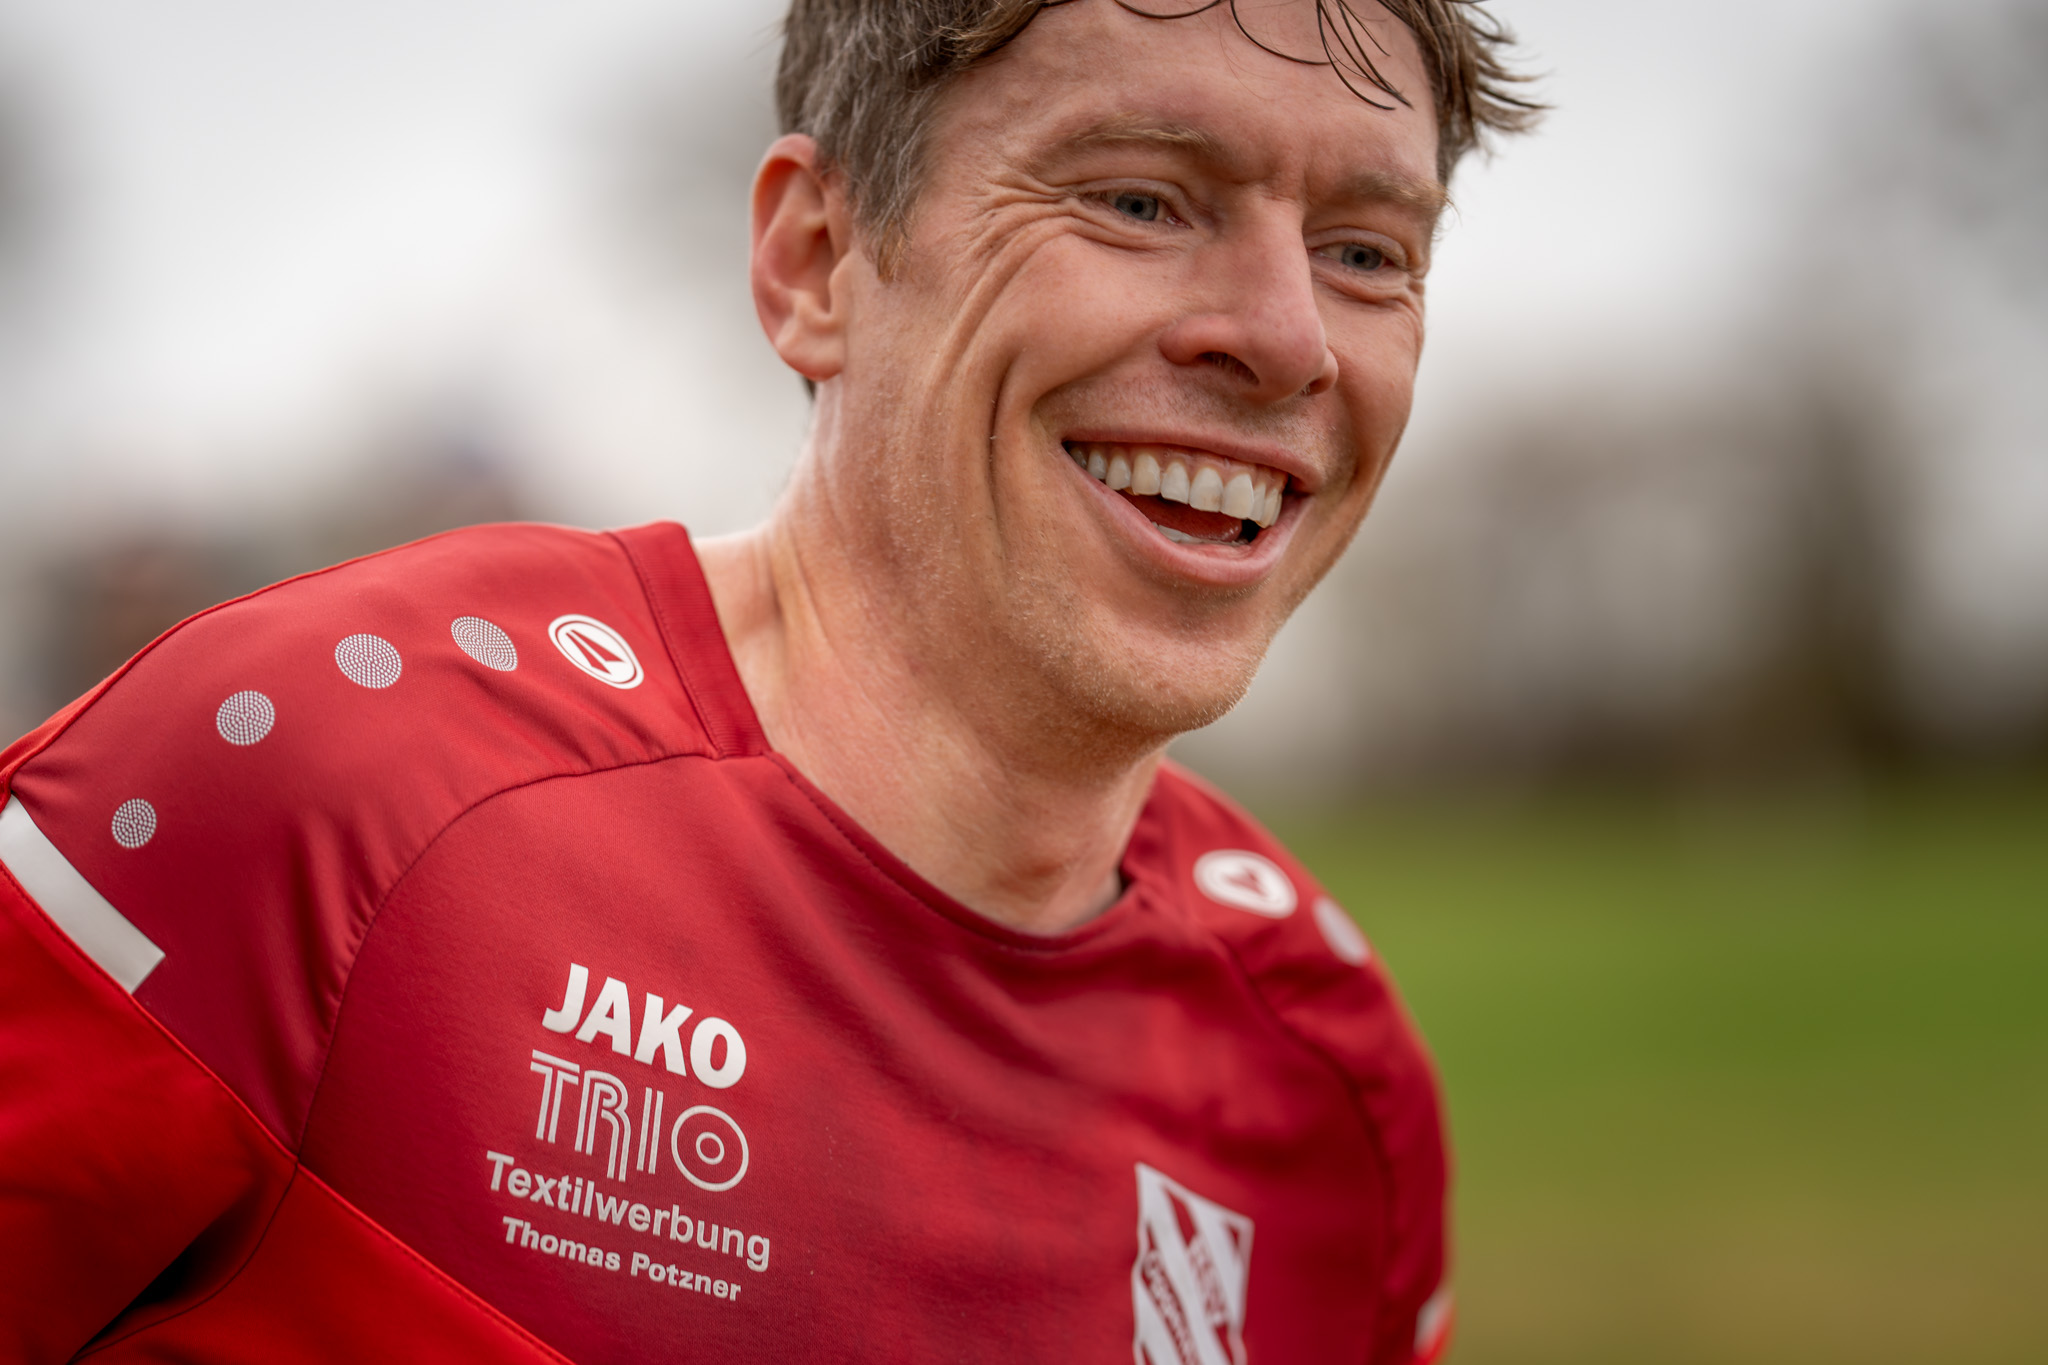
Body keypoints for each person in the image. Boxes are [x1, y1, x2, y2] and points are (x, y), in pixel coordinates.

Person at [0, 1, 1534, 1360]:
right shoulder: (306, 789)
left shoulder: (1333, 1080)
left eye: (1364, 253)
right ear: (815, 261)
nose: (1286, 340)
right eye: (1138, 200)